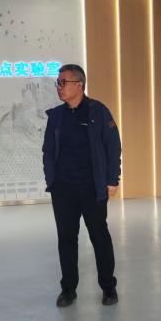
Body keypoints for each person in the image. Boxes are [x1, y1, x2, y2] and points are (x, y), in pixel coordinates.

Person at [42, 63, 121, 307]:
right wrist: (51, 179)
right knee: (66, 239)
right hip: (63, 189)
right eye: (58, 83)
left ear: (79, 85)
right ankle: (68, 289)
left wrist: (112, 179)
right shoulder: (56, 116)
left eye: (63, 82)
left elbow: (113, 146)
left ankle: (108, 287)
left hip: (92, 187)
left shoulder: (98, 111)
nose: (59, 87)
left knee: (99, 236)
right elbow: (48, 150)